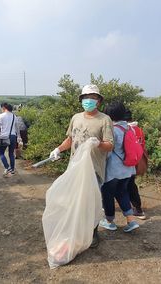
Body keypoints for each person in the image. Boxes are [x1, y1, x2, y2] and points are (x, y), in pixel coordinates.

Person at [49, 84, 114, 248]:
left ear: (98, 101)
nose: (89, 101)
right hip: (75, 167)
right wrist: (58, 149)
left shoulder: (104, 120)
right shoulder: (76, 118)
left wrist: (98, 143)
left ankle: (93, 234)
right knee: (73, 201)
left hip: (94, 169)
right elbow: (70, 139)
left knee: (91, 203)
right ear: (81, 100)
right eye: (86, 98)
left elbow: (110, 145)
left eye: (92, 98)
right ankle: (77, 231)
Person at [99, 102, 140, 233]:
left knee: (107, 195)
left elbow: (108, 152)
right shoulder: (129, 128)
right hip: (128, 169)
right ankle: (131, 220)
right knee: (122, 193)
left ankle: (109, 221)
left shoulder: (112, 130)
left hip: (113, 171)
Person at [125, 110, 147, 220]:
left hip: (126, 163)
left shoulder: (126, 129)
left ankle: (136, 210)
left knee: (125, 185)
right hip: (136, 162)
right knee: (131, 184)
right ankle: (138, 209)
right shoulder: (138, 129)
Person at [0, 103, 21, 177]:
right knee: (11, 154)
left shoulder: (1, 115)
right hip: (13, 137)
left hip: (4, 136)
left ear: (4, 108)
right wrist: (19, 136)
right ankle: (12, 170)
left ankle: (7, 167)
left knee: (1, 153)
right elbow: (17, 127)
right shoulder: (14, 116)